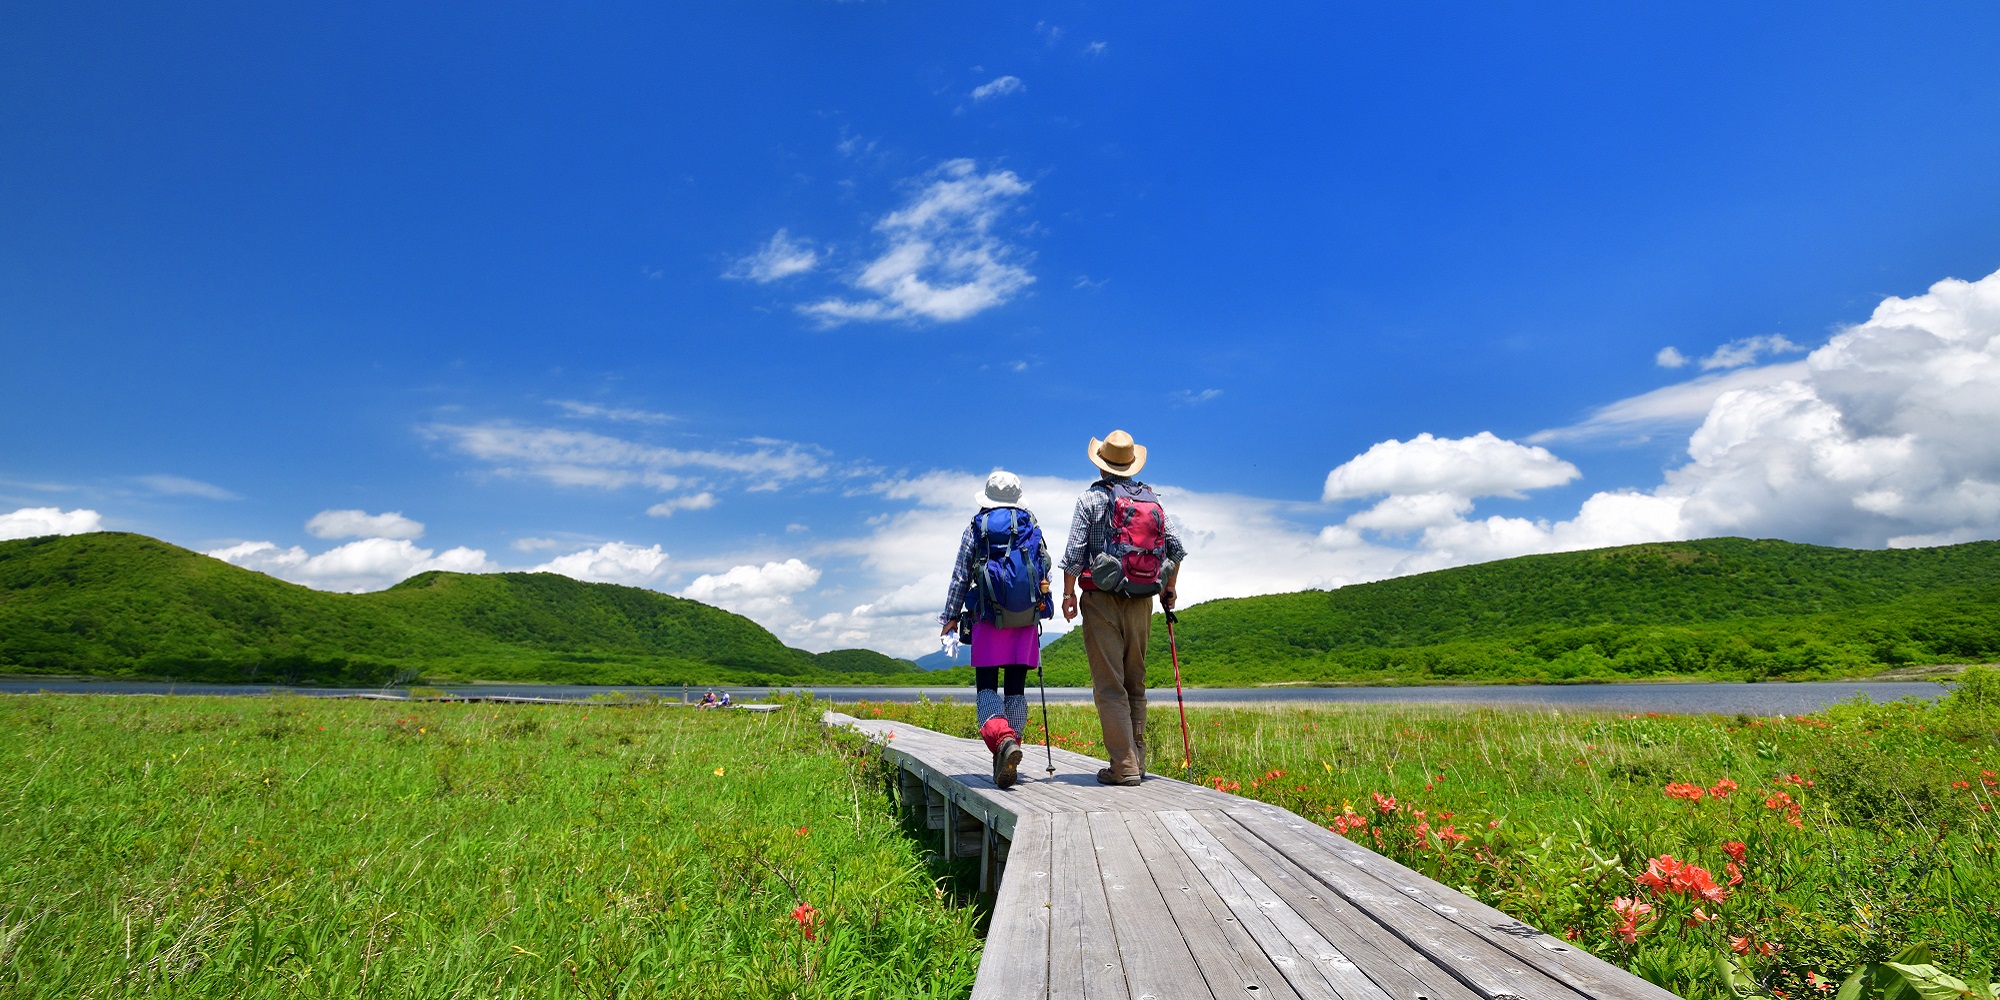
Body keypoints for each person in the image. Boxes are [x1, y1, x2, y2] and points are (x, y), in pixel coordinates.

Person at [1061, 430, 1186, 786]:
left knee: (1109, 685)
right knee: (1136, 682)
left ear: (1101, 466)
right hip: (1142, 600)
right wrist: (1170, 587)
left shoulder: (1090, 500)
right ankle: (1138, 761)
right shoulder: (1153, 502)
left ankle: (1124, 765)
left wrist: (1069, 595)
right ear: (1131, 465)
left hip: (1101, 599)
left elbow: (1073, 555)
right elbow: (1176, 549)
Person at [940, 470, 1053, 789]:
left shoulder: (976, 528)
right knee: (1015, 690)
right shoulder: (1032, 526)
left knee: (987, 689)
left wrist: (950, 616)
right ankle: (1009, 747)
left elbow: (960, 576)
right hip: (1025, 619)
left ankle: (1003, 742)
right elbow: (1043, 569)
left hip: (988, 616)